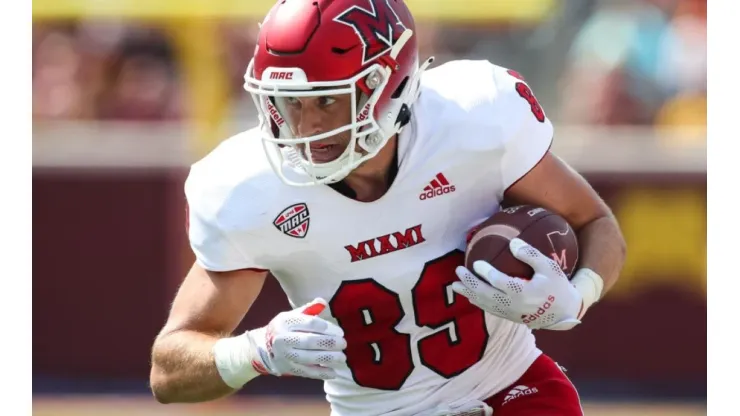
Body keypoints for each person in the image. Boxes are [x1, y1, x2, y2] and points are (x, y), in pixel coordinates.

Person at [149, 0, 626, 415]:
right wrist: (256, 351)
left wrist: (575, 296)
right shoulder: (248, 186)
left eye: (326, 102)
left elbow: (596, 223)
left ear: (387, 86)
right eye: (288, 103)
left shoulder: (473, 119)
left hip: (510, 390)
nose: (303, 127)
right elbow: (167, 373)